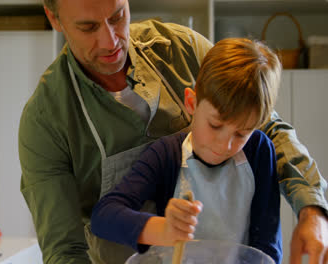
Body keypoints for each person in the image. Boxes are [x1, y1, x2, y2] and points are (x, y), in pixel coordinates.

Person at [18, 0, 328, 263]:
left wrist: (313, 211)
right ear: (54, 18)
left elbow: (267, 126)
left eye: (118, 17)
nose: (111, 41)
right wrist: (160, 229)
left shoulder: (181, 48)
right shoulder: (46, 119)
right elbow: (65, 250)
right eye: (88, 28)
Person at [91, 37, 283, 263]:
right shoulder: (166, 155)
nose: (225, 145)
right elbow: (103, 216)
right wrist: (163, 230)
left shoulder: (259, 151)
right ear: (191, 103)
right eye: (215, 125)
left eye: (241, 134)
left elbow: (267, 247)